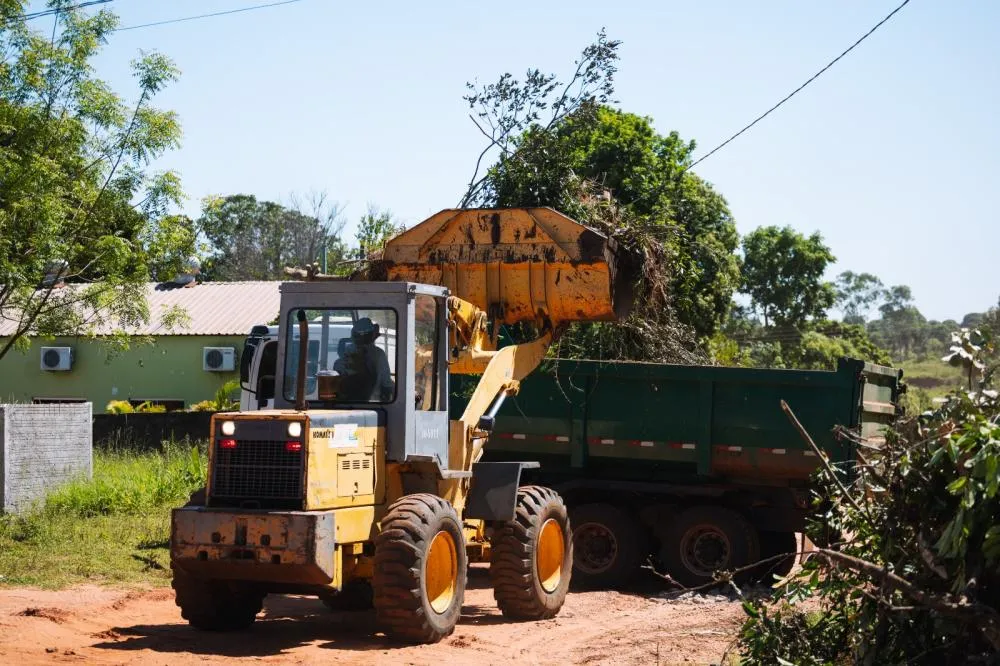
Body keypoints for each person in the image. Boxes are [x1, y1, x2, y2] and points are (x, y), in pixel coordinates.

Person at [334, 317, 394, 402]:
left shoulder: (343, 357)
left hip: (345, 405)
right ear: (372, 335)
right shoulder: (379, 354)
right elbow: (386, 385)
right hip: (372, 406)